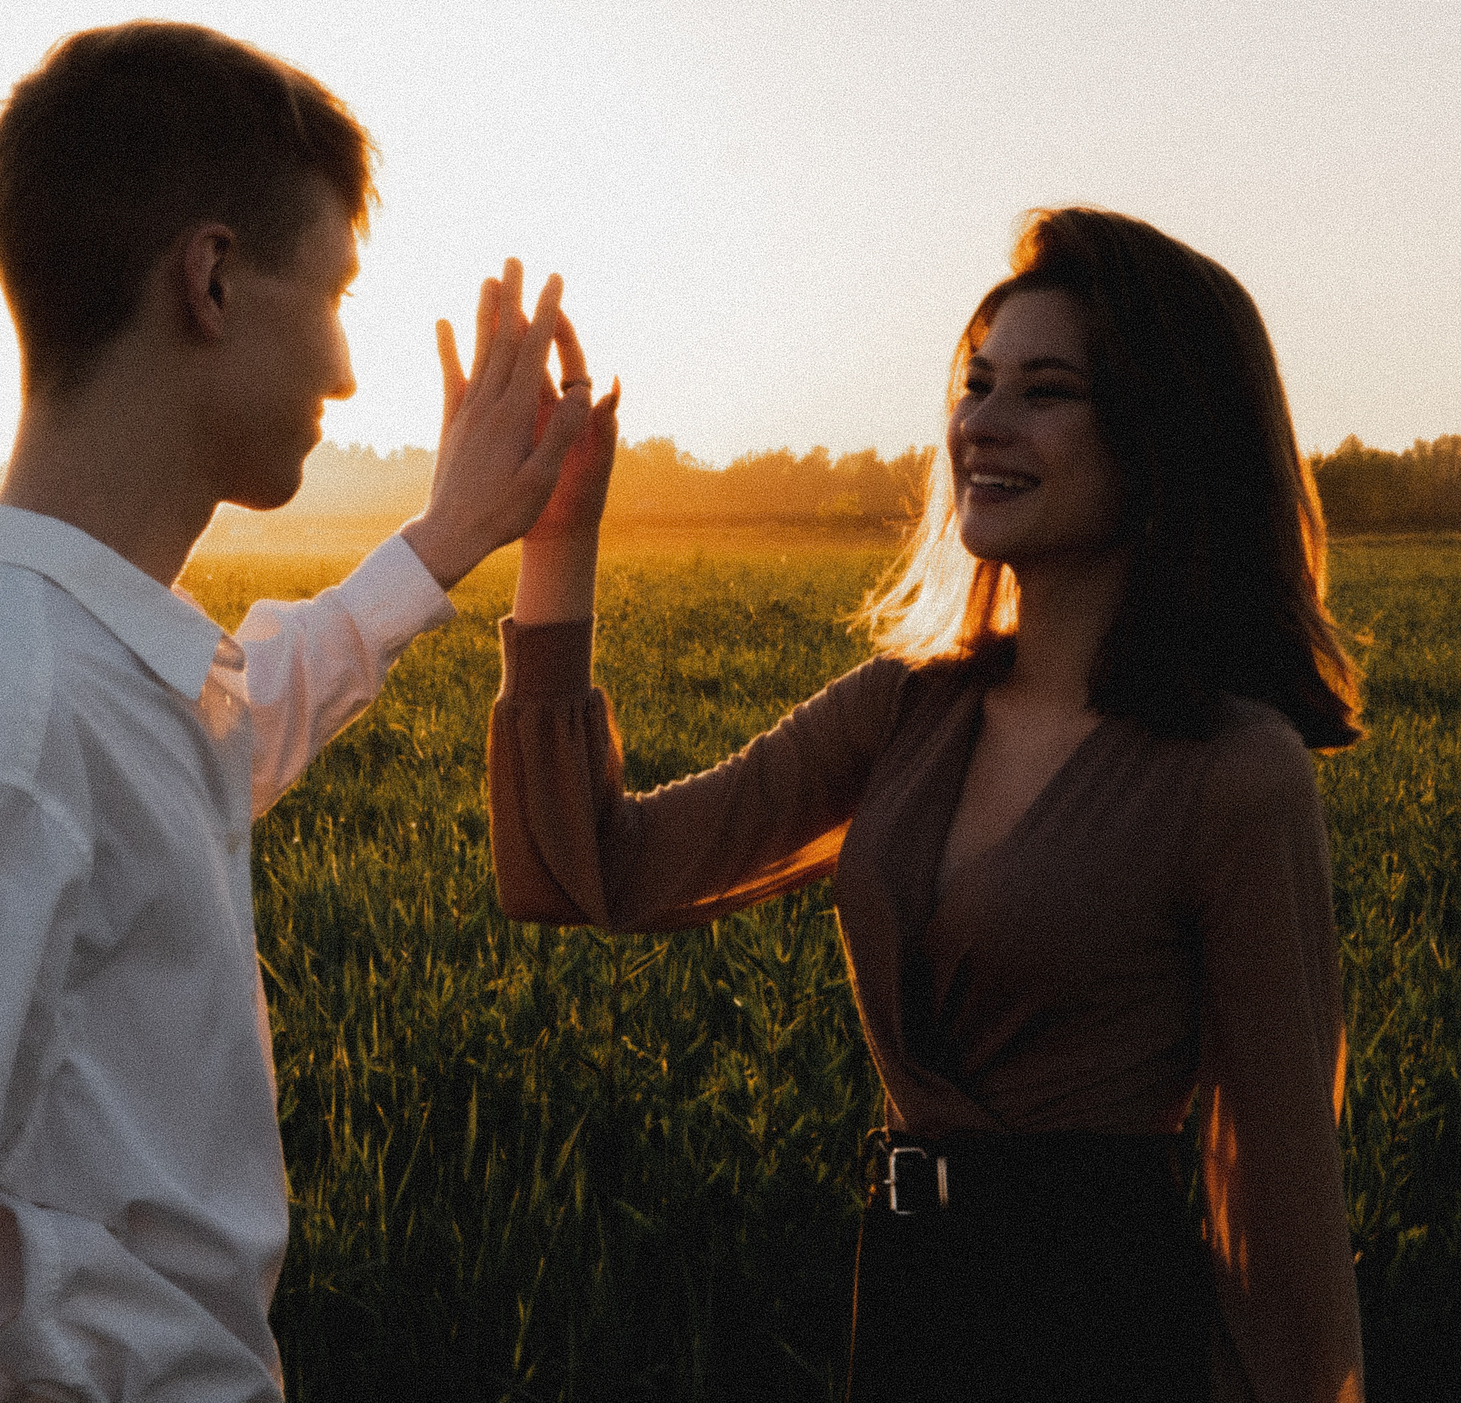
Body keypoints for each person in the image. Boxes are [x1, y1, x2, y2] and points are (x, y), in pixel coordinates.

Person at [0, 20, 598, 1401]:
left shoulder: (58, 662)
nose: (346, 370)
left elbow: (204, 744)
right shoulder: (5, 725)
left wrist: (443, 537)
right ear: (212, 276)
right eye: (333, 292)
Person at [487, 207, 1365, 1402]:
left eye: (1043, 391)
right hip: (910, 1295)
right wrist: (555, 539)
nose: (981, 427)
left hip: (1107, 1324)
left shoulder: (1232, 770)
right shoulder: (899, 717)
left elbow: (1279, 1190)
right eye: (976, 383)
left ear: (1164, 437)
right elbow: (587, 872)